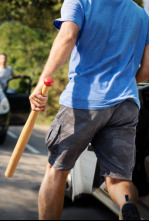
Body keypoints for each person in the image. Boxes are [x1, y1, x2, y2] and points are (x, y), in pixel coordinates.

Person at [29, 0, 149, 220]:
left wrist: (41, 83)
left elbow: (66, 37)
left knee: (56, 171)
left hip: (84, 101)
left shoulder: (80, 1)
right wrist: (122, 82)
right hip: (126, 104)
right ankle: (128, 208)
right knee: (119, 180)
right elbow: (147, 68)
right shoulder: (141, 14)